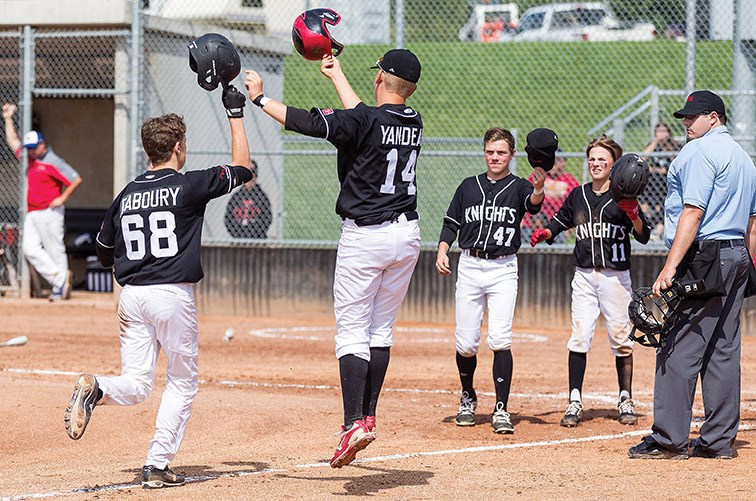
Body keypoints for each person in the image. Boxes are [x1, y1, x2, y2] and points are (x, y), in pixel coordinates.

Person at [62, 84, 254, 488]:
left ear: (148, 150)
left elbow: (103, 250)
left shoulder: (126, 194)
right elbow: (244, 168)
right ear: (178, 147)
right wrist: (236, 114)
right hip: (171, 293)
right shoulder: (189, 185)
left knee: (136, 385)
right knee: (182, 381)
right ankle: (156, 464)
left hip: (132, 296)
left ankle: (97, 388)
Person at [244, 49, 423, 468]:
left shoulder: (365, 121)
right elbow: (364, 118)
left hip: (367, 238)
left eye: (377, 72)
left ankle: (351, 424)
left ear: (381, 78)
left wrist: (259, 100)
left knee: (350, 332)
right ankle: (369, 413)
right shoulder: (412, 120)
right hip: (407, 235)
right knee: (380, 329)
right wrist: (336, 74)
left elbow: (307, 122)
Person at [628, 90, 756, 460]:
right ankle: (718, 442)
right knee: (723, 349)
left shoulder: (699, 152)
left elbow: (693, 212)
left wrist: (670, 267)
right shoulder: (744, 158)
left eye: (693, 116)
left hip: (703, 256)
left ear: (713, 117)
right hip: (736, 255)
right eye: (684, 116)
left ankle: (668, 440)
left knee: (679, 346)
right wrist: (750, 265)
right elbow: (752, 223)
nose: (686, 122)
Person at [531, 136, 651, 427]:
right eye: (593, 159)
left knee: (621, 339)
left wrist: (634, 216)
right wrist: (546, 233)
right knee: (579, 336)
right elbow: (561, 220)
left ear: (614, 165)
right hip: (584, 275)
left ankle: (625, 397)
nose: (596, 164)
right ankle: (574, 400)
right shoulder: (578, 194)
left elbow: (643, 234)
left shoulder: (624, 196)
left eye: (603, 160)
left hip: (615, 277)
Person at [436, 127, 546, 434]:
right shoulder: (468, 186)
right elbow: (451, 222)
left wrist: (539, 187)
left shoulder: (519, 186)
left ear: (512, 155)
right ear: (484, 153)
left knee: (499, 338)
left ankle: (501, 407)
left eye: (501, 152)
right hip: (470, 265)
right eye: (490, 152)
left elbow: (534, 204)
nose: (495, 157)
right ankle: (468, 397)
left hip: (502, 268)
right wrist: (442, 250)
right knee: (466, 343)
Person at [2, 103, 82, 300]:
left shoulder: (52, 160)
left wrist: (62, 197)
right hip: (32, 212)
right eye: (28, 148)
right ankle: (60, 279)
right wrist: (7, 118)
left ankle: (60, 288)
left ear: (41, 144)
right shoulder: (30, 158)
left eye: (32, 148)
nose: (29, 151)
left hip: (50, 211)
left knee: (55, 249)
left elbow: (75, 178)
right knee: (29, 248)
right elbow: (13, 142)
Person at [522, 149, 579, 236]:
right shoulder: (538, 176)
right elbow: (524, 198)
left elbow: (576, 206)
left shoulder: (569, 180)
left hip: (557, 227)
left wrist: (567, 232)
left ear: (562, 163)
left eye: (555, 162)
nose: (552, 166)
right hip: (530, 226)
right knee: (537, 216)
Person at [642, 122, 680, 240]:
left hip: (667, 182)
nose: (661, 134)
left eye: (664, 131)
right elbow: (642, 158)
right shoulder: (654, 146)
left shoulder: (674, 146)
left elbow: (673, 166)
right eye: (659, 131)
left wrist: (657, 169)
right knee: (645, 203)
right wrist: (655, 142)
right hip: (652, 181)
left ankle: (658, 230)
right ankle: (650, 227)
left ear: (669, 133)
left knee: (661, 204)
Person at [224, 159, 272, 239]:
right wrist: (238, 235)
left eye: (253, 175)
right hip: (238, 239)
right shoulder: (236, 197)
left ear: (256, 177)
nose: (250, 179)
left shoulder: (262, 197)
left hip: (257, 239)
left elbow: (267, 218)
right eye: (248, 176)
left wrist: (255, 234)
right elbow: (228, 219)